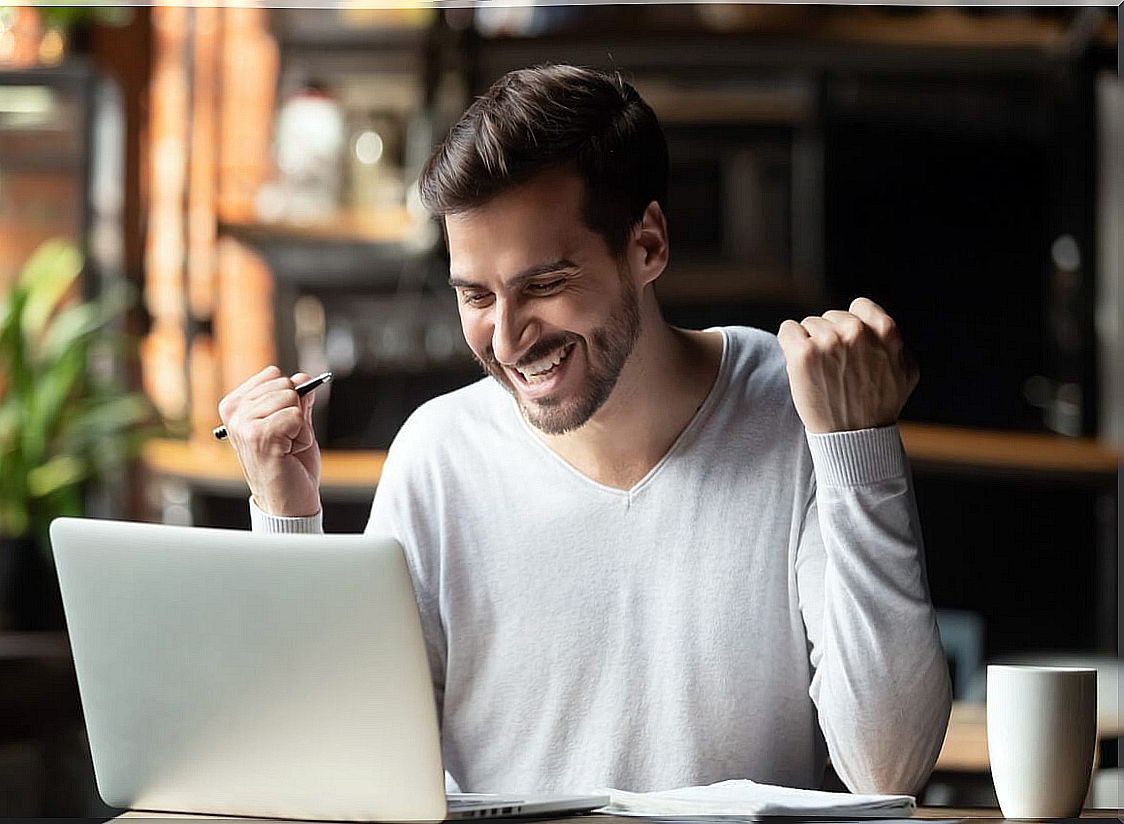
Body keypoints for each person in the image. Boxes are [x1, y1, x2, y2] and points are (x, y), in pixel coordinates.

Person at [218, 65, 951, 797]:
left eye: (543, 284)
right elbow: (337, 774)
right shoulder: (439, 455)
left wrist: (858, 447)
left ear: (648, 246)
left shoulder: (802, 415)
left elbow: (888, 768)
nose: (505, 340)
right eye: (475, 295)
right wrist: (286, 520)